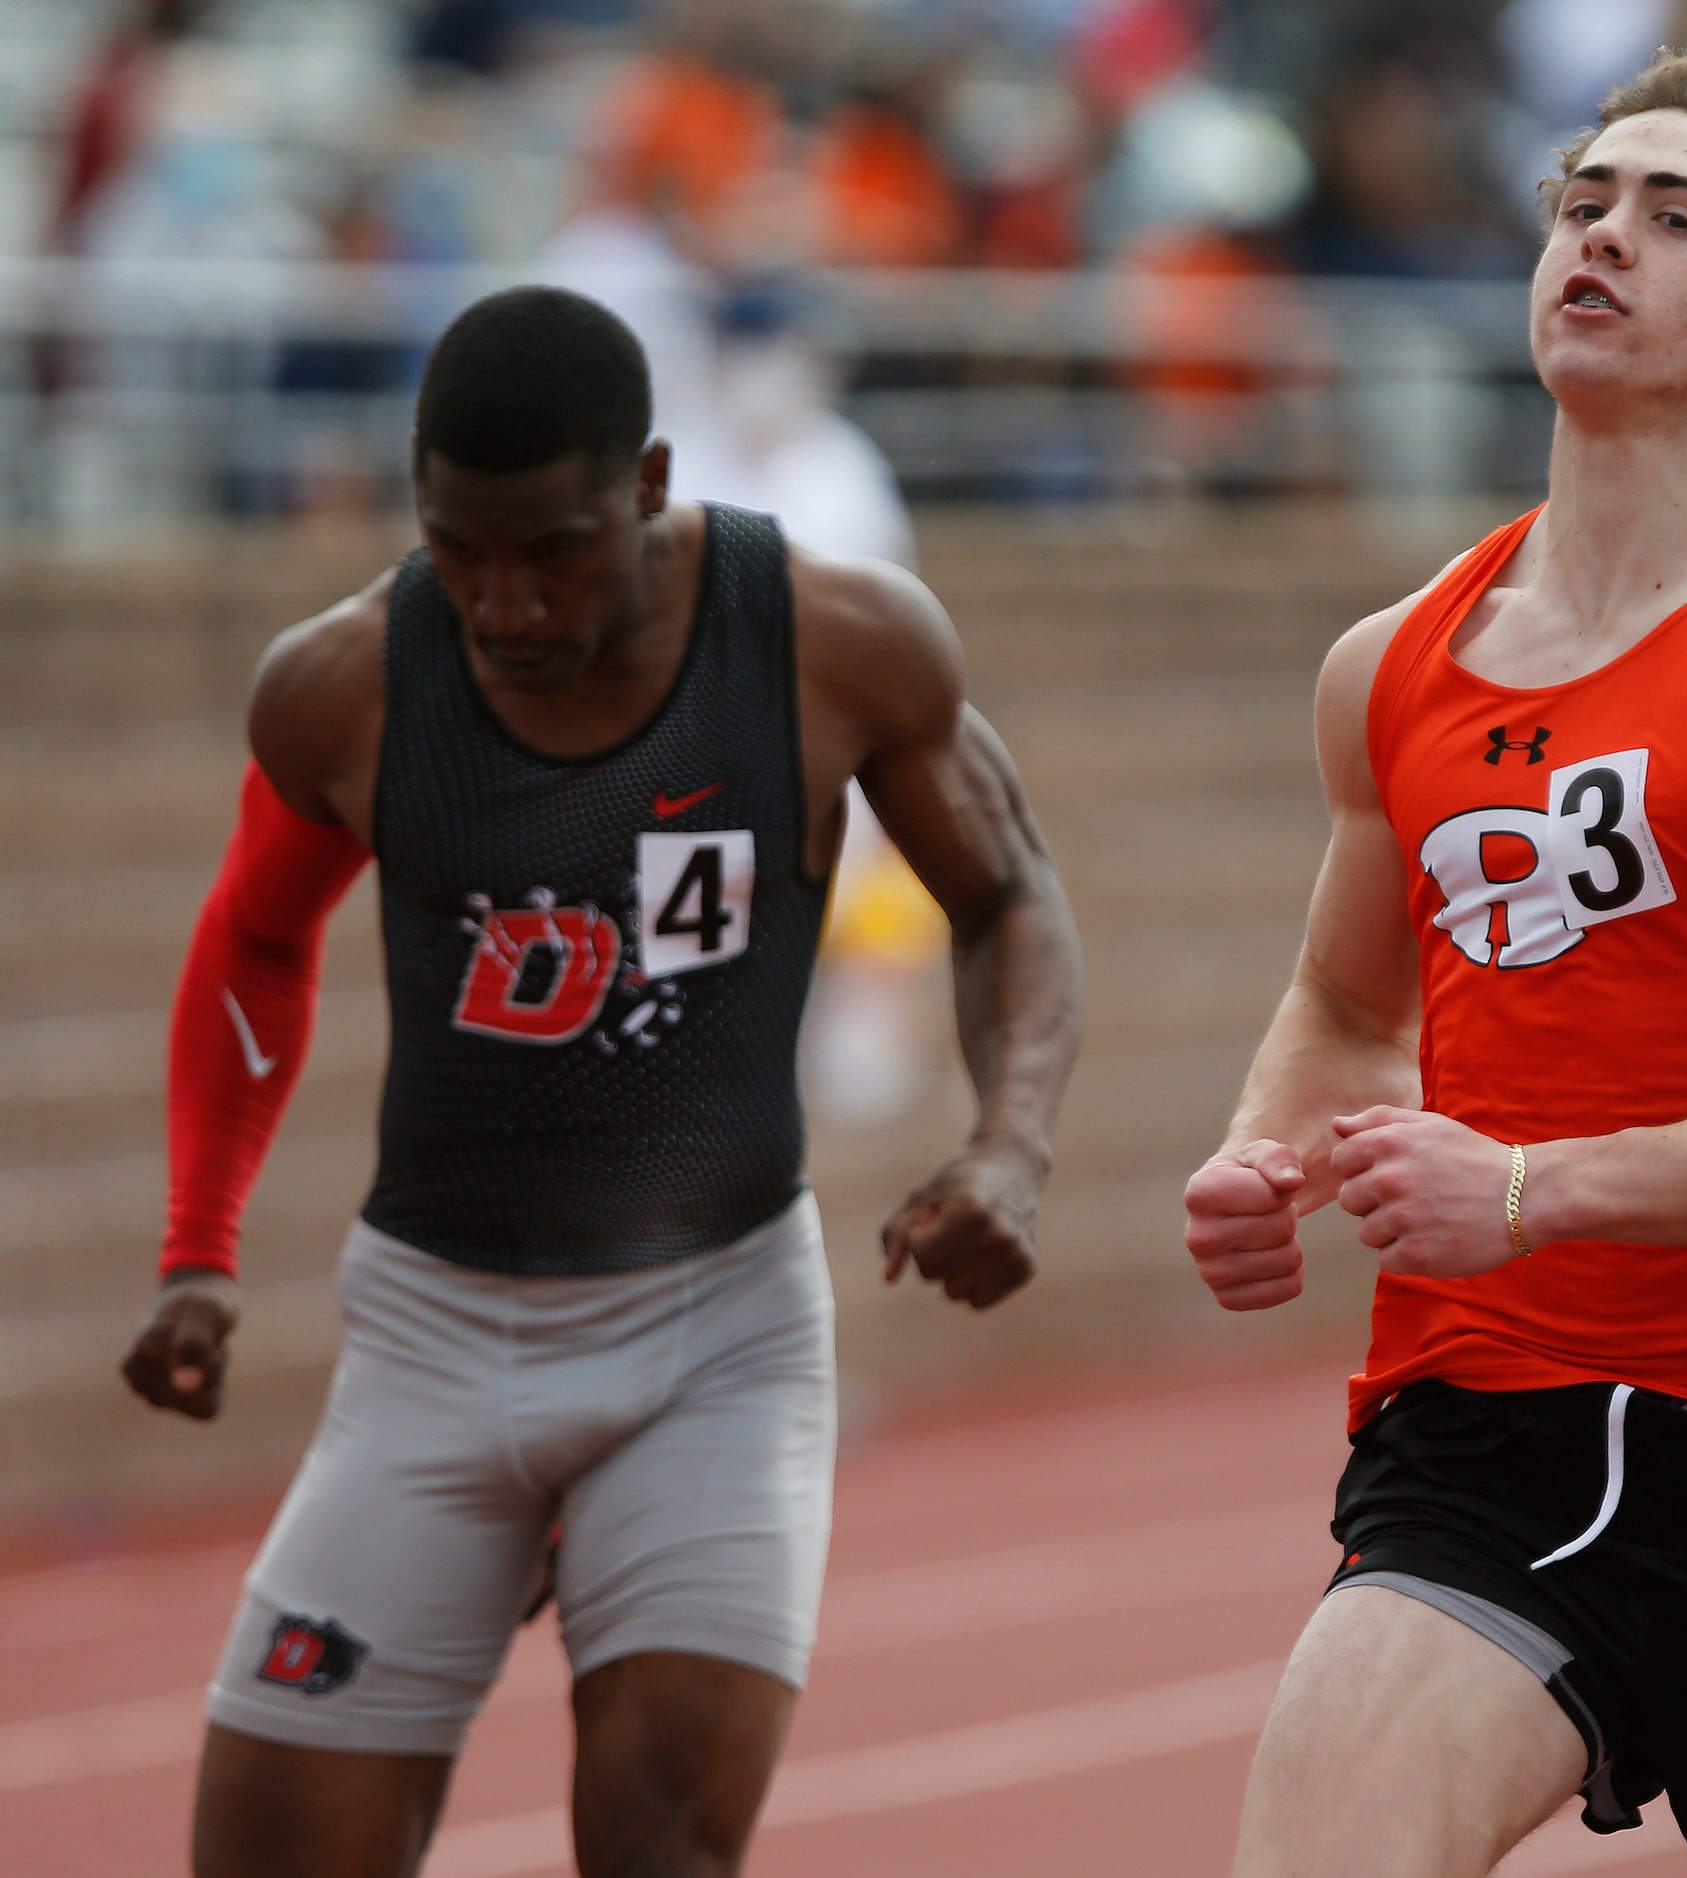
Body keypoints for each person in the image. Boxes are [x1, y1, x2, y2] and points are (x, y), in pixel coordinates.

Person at [118, 285, 1082, 1878]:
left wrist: (1011, 1145)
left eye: (551, 550)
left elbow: (1009, 893)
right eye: (459, 548)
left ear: (647, 482)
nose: (501, 602)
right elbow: (250, 943)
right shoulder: (343, 684)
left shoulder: (827, 639)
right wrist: (198, 1243)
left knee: (655, 1846)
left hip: (712, 1328)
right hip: (432, 1333)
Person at [1183, 30, 1687, 1878]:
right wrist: (1268, 1148)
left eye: (1673, 215)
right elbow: (1345, 1000)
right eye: (1583, 200)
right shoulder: (1394, 660)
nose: (1601, 238)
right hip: (1483, 1434)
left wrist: (1539, 1185)